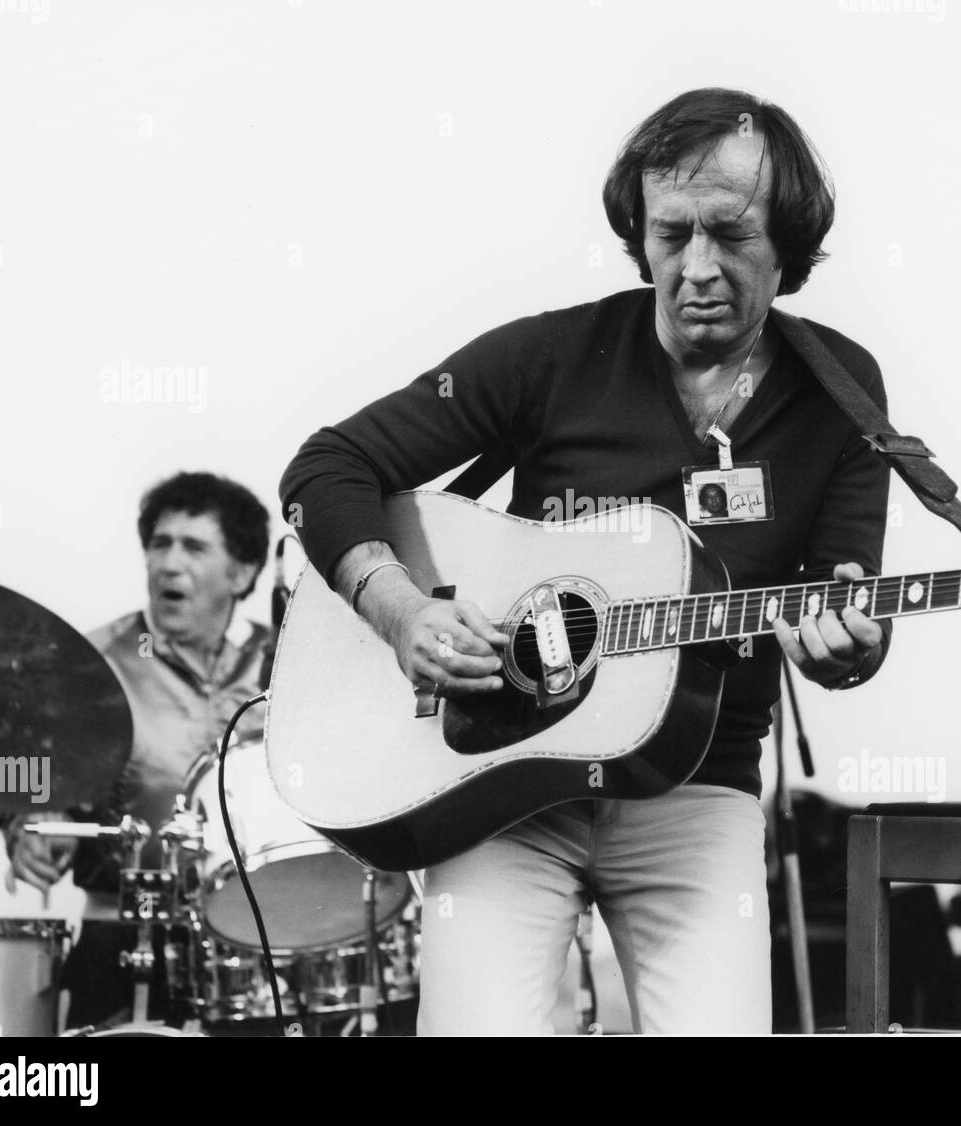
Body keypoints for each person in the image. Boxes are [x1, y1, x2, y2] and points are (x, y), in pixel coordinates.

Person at [280, 88, 892, 1034]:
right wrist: (400, 610)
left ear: (790, 245)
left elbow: (844, 593)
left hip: (700, 790)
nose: (697, 268)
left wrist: (847, 643)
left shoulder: (842, 393)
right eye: (670, 234)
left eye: (730, 234)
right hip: (497, 792)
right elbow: (328, 466)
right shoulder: (555, 355)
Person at [6, 470, 271, 1028]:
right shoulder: (91, 662)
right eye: (159, 544)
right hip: (122, 944)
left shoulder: (285, 663)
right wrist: (29, 826)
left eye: (194, 547)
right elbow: (27, 789)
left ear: (242, 571)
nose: (168, 563)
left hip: (261, 948)